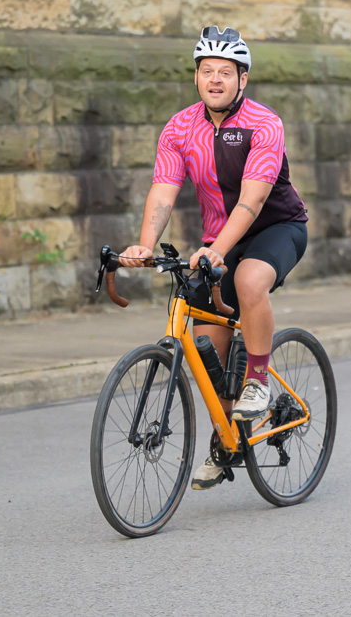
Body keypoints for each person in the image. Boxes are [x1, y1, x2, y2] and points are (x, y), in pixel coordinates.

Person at [119, 26, 309, 490]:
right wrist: (145, 244)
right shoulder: (179, 128)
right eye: (207, 71)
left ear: (242, 80)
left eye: (226, 72)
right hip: (216, 241)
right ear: (197, 77)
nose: (216, 80)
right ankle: (227, 442)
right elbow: (163, 192)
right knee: (209, 353)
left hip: (276, 228)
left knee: (248, 282)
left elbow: (252, 200)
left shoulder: (265, 123)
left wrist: (218, 251)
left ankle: (258, 381)